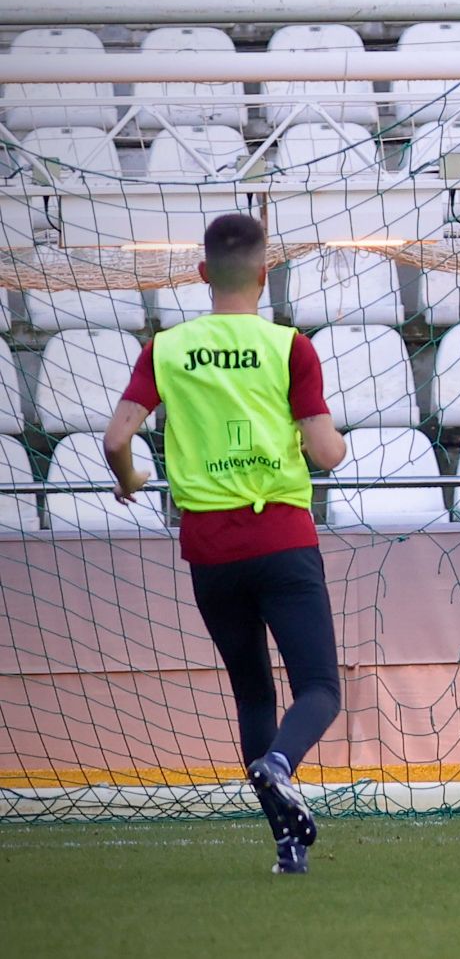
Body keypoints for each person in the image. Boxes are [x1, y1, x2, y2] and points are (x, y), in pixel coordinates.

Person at [103, 214, 347, 875]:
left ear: (204, 274)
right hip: (281, 537)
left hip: (210, 550)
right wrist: (332, 442)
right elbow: (326, 452)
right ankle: (279, 765)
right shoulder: (289, 346)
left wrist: (131, 481)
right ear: (265, 275)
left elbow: (117, 438)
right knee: (320, 686)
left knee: (252, 693)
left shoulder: (168, 347)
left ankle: (287, 844)